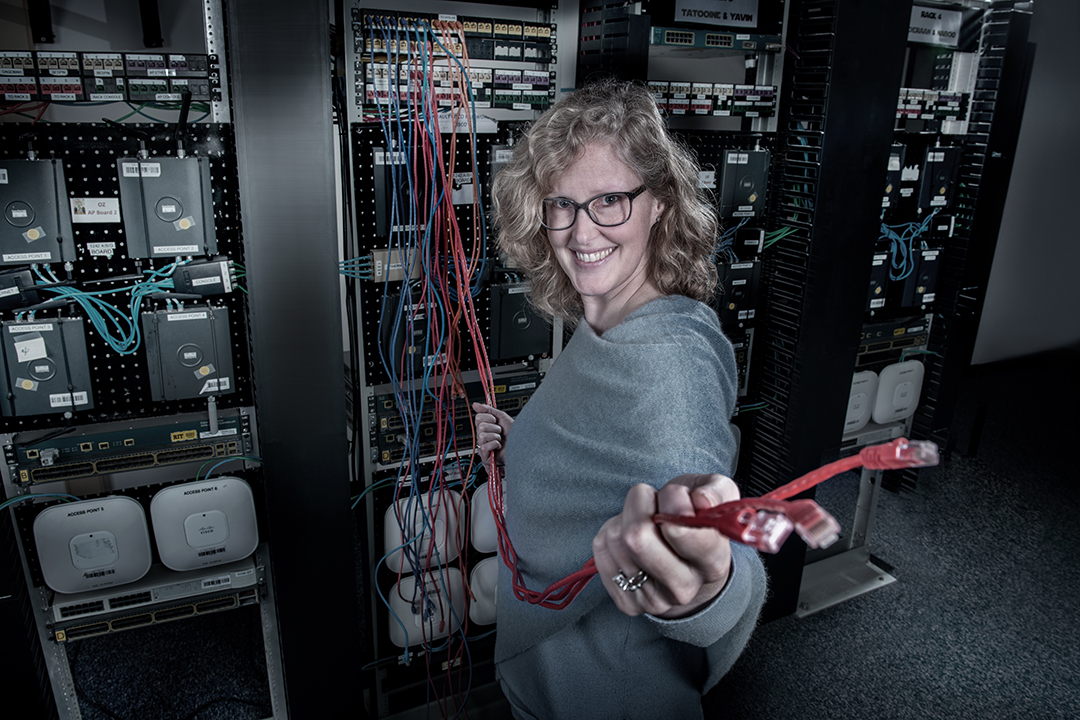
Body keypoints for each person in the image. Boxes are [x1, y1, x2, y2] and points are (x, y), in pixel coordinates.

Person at [471, 79, 767, 720]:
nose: (581, 232)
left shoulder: (671, 361)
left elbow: (705, 521)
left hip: (607, 691)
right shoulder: (608, 321)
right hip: (552, 671)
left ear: (659, 203)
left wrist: (708, 585)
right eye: (562, 205)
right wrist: (524, 438)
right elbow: (605, 446)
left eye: (609, 200)